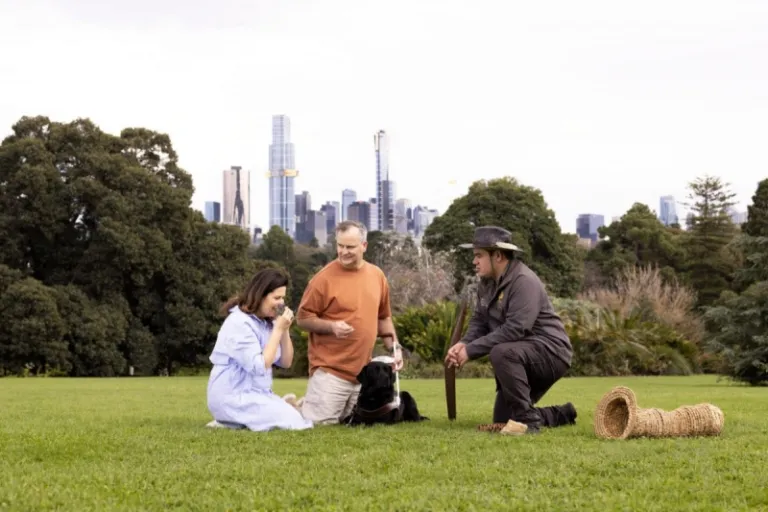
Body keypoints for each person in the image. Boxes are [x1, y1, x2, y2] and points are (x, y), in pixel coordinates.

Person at [445, 225, 577, 435]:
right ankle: (561, 414)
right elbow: (480, 321)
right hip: (522, 354)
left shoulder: (523, 281)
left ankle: (529, 424)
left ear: (497, 255)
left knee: (501, 352)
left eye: (479, 255)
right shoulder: (486, 284)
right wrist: (464, 343)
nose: (474, 261)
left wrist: (471, 351)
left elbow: (516, 329)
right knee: (503, 419)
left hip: (551, 353)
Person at [296, 220, 403, 425]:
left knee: (358, 423)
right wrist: (331, 327)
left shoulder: (377, 276)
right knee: (320, 425)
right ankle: (300, 405)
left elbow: (384, 318)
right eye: (340, 246)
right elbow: (303, 318)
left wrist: (395, 349)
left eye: (350, 247)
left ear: (364, 246)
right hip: (330, 373)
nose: (343, 252)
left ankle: (306, 404)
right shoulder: (322, 279)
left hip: (364, 376)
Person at [206, 268, 313, 432]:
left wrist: (284, 330)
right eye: (276, 298)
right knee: (295, 422)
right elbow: (259, 366)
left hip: (256, 394)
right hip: (232, 396)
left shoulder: (265, 323)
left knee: (295, 418)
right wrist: (277, 329)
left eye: (283, 298)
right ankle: (228, 420)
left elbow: (286, 362)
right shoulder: (239, 323)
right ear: (260, 295)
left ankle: (254, 416)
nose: (281, 303)